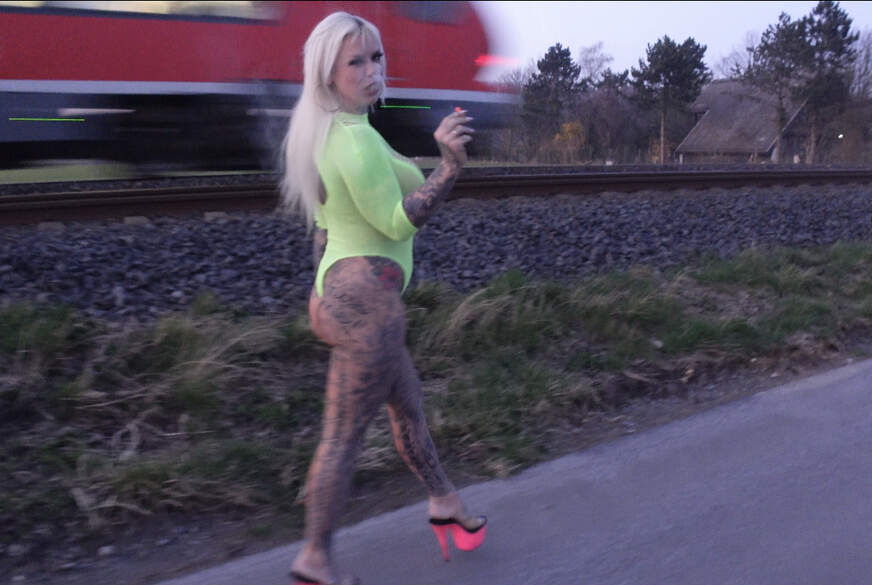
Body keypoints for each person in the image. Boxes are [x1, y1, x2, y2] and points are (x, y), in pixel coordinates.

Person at [280, 11, 487, 585]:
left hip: (345, 298)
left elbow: (325, 228)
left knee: (408, 405)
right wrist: (450, 167)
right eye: (356, 62)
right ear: (328, 74)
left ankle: (445, 501)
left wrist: (323, 295)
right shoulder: (355, 140)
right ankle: (314, 559)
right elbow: (397, 222)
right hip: (366, 307)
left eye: (377, 57)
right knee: (343, 437)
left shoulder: (328, 130)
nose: (372, 71)